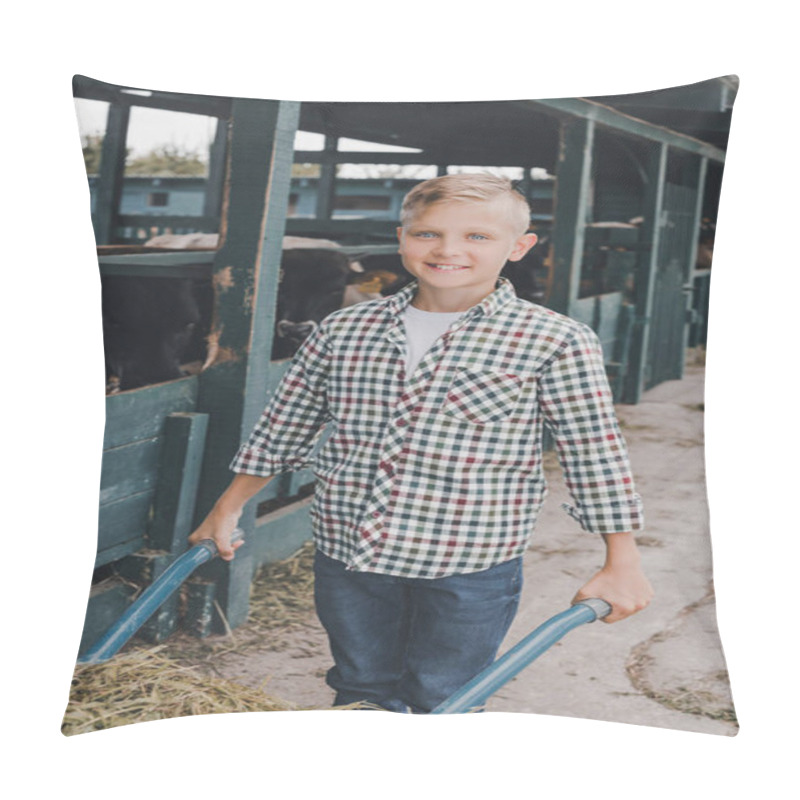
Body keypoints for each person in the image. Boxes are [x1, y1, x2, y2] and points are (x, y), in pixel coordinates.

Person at [188, 173, 654, 713]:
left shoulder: (553, 339)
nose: (448, 250)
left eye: (477, 237)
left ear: (519, 247)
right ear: (402, 237)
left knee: (446, 697)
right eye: (428, 234)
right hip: (351, 552)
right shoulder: (343, 330)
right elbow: (283, 427)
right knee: (361, 687)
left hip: (470, 562)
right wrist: (228, 509)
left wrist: (622, 559)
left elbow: (593, 449)